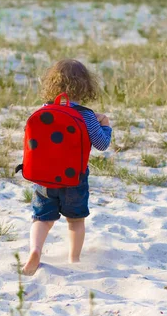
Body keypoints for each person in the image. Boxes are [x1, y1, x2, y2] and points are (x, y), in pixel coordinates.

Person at [22, 59, 112, 276]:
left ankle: (35, 249)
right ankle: (74, 259)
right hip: (75, 179)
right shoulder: (87, 115)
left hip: (44, 177)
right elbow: (101, 144)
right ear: (85, 86)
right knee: (75, 221)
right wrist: (106, 125)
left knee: (41, 219)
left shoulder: (44, 110)